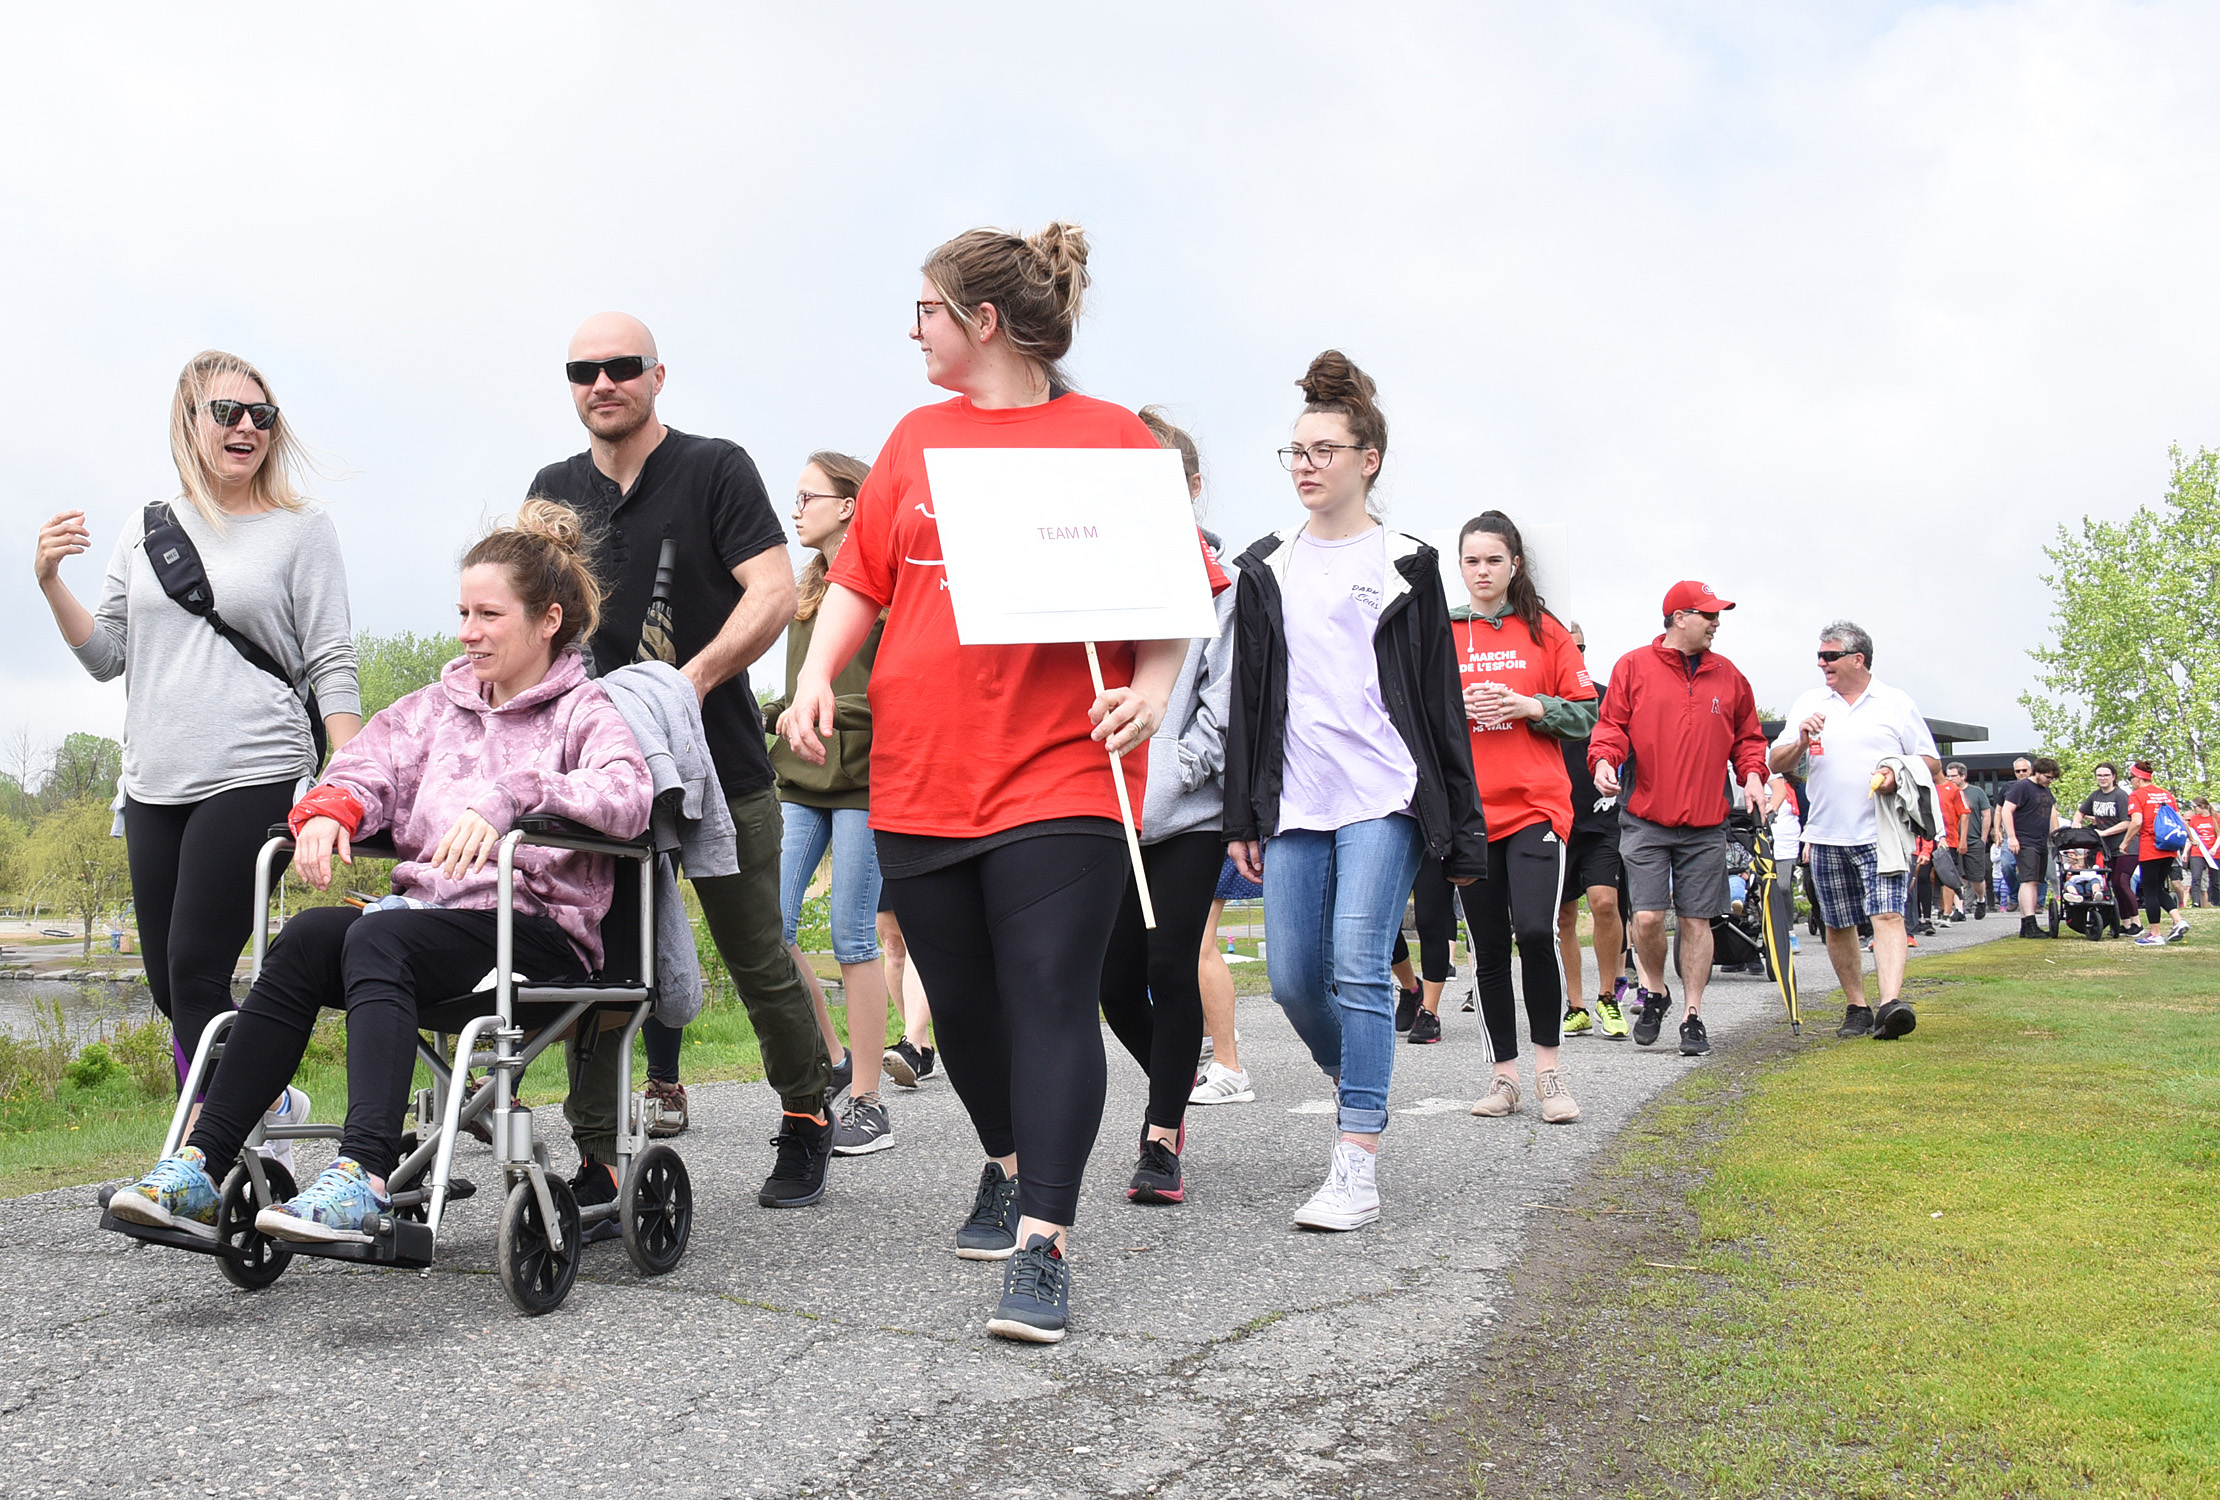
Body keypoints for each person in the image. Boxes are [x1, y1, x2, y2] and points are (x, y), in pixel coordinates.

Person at [781, 222, 1203, 1344]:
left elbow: (1176, 600)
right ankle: (1007, 1164)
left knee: (1050, 991)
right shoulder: (915, 440)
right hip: (920, 775)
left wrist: (1153, 693)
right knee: (963, 1013)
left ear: (980, 321)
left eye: (924, 310)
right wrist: (819, 675)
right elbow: (859, 584)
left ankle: (1045, 1247)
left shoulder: (1112, 440)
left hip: (1066, 769)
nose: (911, 331)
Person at [106, 502, 652, 1242]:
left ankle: (362, 1175)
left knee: (376, 940)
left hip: (533, 936)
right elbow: (363, 767)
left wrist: (514, 796)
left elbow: (628, 797)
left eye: (489, 614)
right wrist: (331, 809)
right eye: (463, 611)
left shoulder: (584, 711)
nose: (468, 631)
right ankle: (203, 1164)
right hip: (429, 929)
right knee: (309, 937)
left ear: (548, 620)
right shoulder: (436, 708)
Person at [530, 313, 836, 1211]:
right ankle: (598, 1155)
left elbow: (775, 592)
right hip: (599, 778)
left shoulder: (714, 468)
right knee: (599, 967)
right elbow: (528, 611)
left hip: (720, 762)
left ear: (658, 375)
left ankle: (807, 1110)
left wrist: (689, 683)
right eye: (584, 370)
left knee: (756, 951)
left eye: (622, 366)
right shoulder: (553, 489)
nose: (603, 383)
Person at [35, 350, 361, 1144]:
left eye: (261, 416)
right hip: (152, 783)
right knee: (165, 984)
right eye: (227, 413)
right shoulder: (147, 530)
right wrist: (49, 582)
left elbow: (331, 662)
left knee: (194, 966)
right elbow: (109, 654)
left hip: (257, 768)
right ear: (190, 422)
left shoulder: (300, 528)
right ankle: (268, 1104)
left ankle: (209, 1151)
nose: (247, 427)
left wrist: (348, 782)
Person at [1224, 350, 1487, 1232]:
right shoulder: (1268, 564)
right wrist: (1242, 814)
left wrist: (1465, 829)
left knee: (1358, 963)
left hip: (1385, 791)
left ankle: (1356, 1158)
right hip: (1296, 797)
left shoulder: (1408, 561)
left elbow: (1440, 704)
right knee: (1296, 980)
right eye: (1295, 451)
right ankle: (1357, 1082)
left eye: (1324, 450)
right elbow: (1249, 696)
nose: (1306, 465)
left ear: (1367, 459)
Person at [1098, 406, 1238, 1205]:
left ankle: (1160, 1140)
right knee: (1114, 983)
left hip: (1187, 813)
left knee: (1168, 962)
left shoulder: (1225, 586)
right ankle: (1176, 1082)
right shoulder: (1104, 569)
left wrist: (1171, 768)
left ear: (1189, 488)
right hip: (1106, 809)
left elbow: (1223, 704)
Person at [765, 451, 897, 1155]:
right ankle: (834, 1059)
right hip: (800, 776)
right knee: (769, 927)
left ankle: (871, 1103)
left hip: (866, 781)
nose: (796, 509)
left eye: (808, 496)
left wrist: (827, 713)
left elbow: (895, 686)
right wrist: (776, 713)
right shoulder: (804, 588)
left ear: (849, 503)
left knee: (851, 936)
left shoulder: (885, 579)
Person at [1446, 513, 1598, 1122]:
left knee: (1535, 931)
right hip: (1471, 814)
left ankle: (1549, 1073)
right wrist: (1451, 710)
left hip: (1536, 804)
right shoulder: (1441, 633)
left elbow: (1587, 716)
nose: (1482, 572)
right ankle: (1503, 1077)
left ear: (1514, 565)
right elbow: (1409, 716)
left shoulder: (1547, 633)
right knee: (1486, 948)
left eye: (1493, 560)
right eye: (1471, 561)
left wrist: (1529, 704)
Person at [1586, 582, 1767, 1058]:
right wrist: (1604, 761)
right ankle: (1656, 992)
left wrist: (1751, 775)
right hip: (1646, 818)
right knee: (1646, 918)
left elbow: (1748, 738)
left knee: (1696, 921)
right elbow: (1611, 728)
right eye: (1708, 614)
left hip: (1707, 822)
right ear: (1678, 617)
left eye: (1717, 615)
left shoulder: (1729, 676)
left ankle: (1692, 1014)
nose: (1716, 622)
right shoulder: (1632, 667)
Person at [1770, 622, 1940, 1038]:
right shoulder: (1810, 701)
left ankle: (1889, 1005)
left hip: (1880, 831)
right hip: (1826, 831)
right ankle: (1856, 1005)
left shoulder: (1894, 702)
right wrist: (1801, 739)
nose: (1821, 663)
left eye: (1830, 656)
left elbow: (1930, 762)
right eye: (1820, 655)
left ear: (1857, 659)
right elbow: (1777, 762)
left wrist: (1894, 772)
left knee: (1887, 914)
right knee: (1838, 922)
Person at [1557, 624, 1629, 1039]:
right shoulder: (1542, 701)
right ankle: (1576, 1004)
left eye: (1580, 647)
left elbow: (1630, 747)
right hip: (1558, 821)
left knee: (1605, 903)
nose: (1575, 653)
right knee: (1564, 916)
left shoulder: (1604, 697)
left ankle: (1608, 997)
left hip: (1602, 821)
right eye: (1568, 647)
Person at [1188, 856, 1257, 1105]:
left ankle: (1230, 1067)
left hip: (1217, 833)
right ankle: (1207, 1045)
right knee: (1186, 941)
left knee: (1199, 940)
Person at [1393, 859, 1461, 1042]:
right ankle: (1411, 989)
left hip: (1431, 841)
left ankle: (1429, 1013)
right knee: (1383, 925)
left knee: (1430, 921)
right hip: (1387, 835)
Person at [2124, 761, 2191, 946]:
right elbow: (2178, 818)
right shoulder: (2166, 794)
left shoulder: (2137, 795)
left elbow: (2137, 821)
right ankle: (2178, 920)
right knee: (2158, 888)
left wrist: (2126, 842)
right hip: (2169, 847)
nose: (2131, 782)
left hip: (2150, 847)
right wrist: (2190, 837)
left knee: (2150, 891)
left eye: (2131, 778)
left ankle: (2155, 933)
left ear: (2138, 778)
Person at [1999, 758, 2061, 937]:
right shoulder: (2022, 787)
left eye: (2053, 778)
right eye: (2048, 777)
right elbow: (2006, 810)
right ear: (2038, 773)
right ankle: (2029, 922)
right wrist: (2011, 837)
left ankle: (2029, 925)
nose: (2050, 780)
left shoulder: (2046, 790)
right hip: (2025, 840)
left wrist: (2056, 836)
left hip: (2041, 841)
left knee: (2036, 881)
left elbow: (2051, 814)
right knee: (2028, 880)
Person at [2074, 761, 2139, 932]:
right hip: (2107, 849)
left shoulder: (2120, 795)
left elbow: (2127, 822)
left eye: (2106, 775)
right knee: (2114, 885)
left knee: (2122, 882)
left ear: (2113, 777)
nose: (2102, 778)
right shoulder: (2095, 796)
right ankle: (2124, 923)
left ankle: (2136, 922)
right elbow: (2080, 811)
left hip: (2127, 847)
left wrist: (2104, 832)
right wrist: (2076, 823)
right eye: (2099, 775)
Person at [1948, 763, 1991, 920]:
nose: (1950, 779)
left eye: (1953, 775)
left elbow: (1986, 814)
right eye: (1948, 775)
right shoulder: (1947, 792)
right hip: (1953, 840)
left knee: (1976, 877)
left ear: (1963, 776)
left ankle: (1981, 899)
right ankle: (1959, 909)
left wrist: (1983, 838)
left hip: (1973, 840)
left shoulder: (1976, 792)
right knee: (1955, 876)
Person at [2187, 797, 2220, 908]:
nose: (2194, 809)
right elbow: (2191, 837)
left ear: (2202, 806)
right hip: (2198, 851)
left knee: (2215, 880)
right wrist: (2185, 852)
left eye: (2195, 807)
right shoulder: (2194, 819)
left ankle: (2216, 902)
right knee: (2196, 877)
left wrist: (2214, 848)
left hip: (2214, 852)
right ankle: (2196, 903)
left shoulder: (2216, 817)